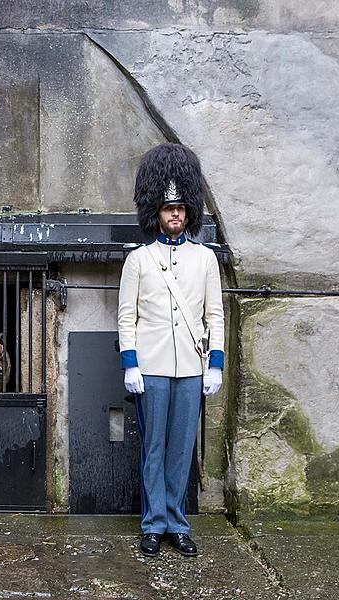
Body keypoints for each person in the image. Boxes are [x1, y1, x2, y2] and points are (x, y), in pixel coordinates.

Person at [117, 143, 225, 557]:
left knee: (182, 449)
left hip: (192, 367)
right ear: (156, 214)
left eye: (181, 208)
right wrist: (131, 363)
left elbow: (214, 315)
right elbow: (126, 318)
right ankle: (153, 523)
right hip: (152, 366)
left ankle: (177, 523)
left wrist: (214, 365)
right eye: (168, 209)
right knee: (154, 448)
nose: (175, 214)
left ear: (188, 212)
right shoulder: (140, 261)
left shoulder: (205, 260)